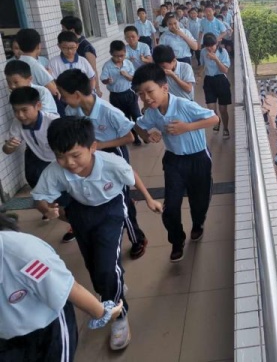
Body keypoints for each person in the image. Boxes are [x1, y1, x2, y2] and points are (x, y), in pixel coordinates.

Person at [31, 117, 162, 351]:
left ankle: (119, 316)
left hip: (110, 210)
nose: (69, 163)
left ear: (92, 147)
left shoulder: (111, 163)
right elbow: (39, 198)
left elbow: (132, 175)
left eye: (75, 155)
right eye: (61, 156)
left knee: (106, 268)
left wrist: (150, 199)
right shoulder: (55, 170)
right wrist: (46, 209)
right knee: (93, 265)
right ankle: (112, 285)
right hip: (80, 212)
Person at [0, 214, 124, 361]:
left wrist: (103, 313)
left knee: (105, 267)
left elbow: (68, 287)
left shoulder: (24, 254)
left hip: (48, 330)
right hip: (5, 337)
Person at [132, 64, 218, 262]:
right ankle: (177, 241)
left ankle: (198, 223)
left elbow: (214, 119)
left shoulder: (184, 105)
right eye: (141, 94)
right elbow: (138, 125)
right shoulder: (152, 112)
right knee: (170, 207)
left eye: (149, 91)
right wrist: (147, 136)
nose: (146, 98)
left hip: (198, 158)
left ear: (164, 88)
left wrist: (187, 127)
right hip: (174, 161)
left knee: (200, 200)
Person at [57, 69, 148, 255]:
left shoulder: (109, 111)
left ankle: (137, 238)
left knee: (122, 199)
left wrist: (101, 145)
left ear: (77, 94)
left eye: (64, 95)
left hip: (113, 153)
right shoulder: (71, 110)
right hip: (90, 156)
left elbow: (129, 137)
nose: (62, 99)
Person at [2, 87, 59, 189]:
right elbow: (7, 150)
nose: (20, 115)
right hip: (38, 157)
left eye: (24, 110)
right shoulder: (17, 123)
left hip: (58, 158)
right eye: (16, 111)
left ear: (38, 106)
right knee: (36, 182)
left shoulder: (53, 122)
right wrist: (9, 146)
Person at [101, 40, 143, 146]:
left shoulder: (128, 63)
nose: (119, 58)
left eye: (122, 56)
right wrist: (107, 80)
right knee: (124, 118)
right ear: (111, 53)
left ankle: (143, 134)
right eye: (116, 56)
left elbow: (133, 78)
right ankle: (134, 137)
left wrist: (126, 75)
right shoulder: (107, 66)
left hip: (129, 93)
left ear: (125, 53)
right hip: (116, 96)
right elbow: (103, 79)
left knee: (137, 115)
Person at [200, 33, 232, 139]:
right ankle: (217, 121)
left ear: (216, 43)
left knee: (223, 109)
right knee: (211, 108)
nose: (210, 48)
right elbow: (202, 65)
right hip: (209, 80)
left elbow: (225, 70)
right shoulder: (203, 52)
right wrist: (199, 75)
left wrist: (216, 59)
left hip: (221, 80)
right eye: (207, 46)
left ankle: (226, 128)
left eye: (212, 45)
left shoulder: (223, 52)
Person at [12, 29, 59, 98]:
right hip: (40, 101)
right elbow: (54, 91)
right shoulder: (35, 65)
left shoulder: (17, 63)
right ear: (38, 46)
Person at [60, 16, 100, 95]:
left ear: (72, 30)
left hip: (85, 88)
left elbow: (93, 69)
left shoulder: (86, 47)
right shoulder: (67, 45)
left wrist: (97, 88)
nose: (61, 31)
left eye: (63, 29)